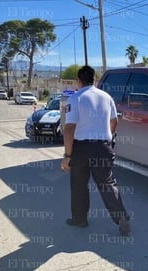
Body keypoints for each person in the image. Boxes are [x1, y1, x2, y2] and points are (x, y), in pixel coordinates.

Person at [60, 65, 131, 237]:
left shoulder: (76, 98)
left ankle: (80, 220)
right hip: (103, 146)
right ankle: (121, 217)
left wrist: (67, 156)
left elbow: (69, 129)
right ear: (94, 79)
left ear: (79, 80)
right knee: (107, 184)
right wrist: (107, 136)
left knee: (79, 186)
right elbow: (114, 122)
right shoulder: (106, 97)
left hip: (82, 148)